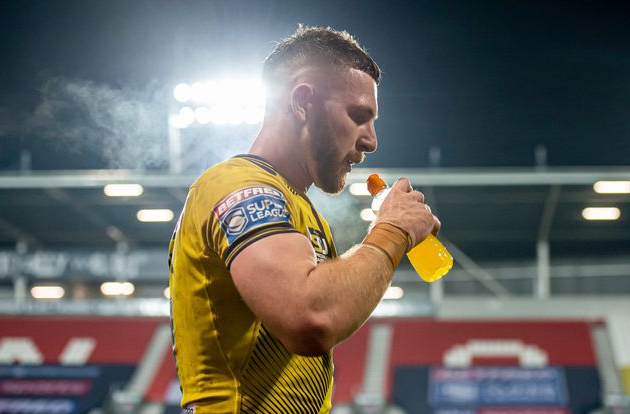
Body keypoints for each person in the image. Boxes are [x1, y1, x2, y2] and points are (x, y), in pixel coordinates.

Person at [168, 25, 440, 414]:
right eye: (358, 116)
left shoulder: (302, 210)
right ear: (301, 102)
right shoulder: (238, 184)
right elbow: (310, 317)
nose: (371, 141)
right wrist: (393, 230)